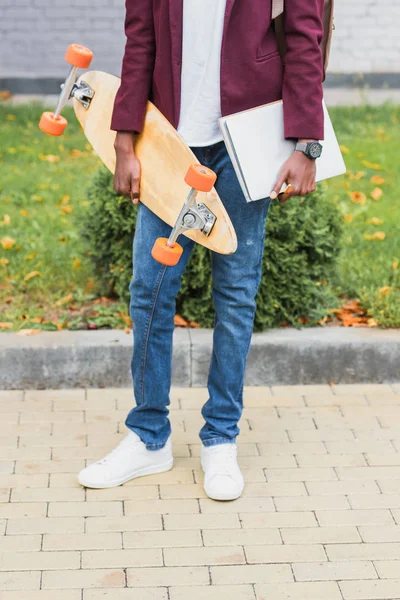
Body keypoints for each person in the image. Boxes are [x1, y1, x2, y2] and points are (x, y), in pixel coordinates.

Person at [78, 0, 325, 500]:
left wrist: (307, 144)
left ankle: (220, 437)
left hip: (247, 141)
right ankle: (149, 437)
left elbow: (305, 40)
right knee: (150, 289)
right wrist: (124, 140)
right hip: (168, 143)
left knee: (235, 291)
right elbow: (140, 39)